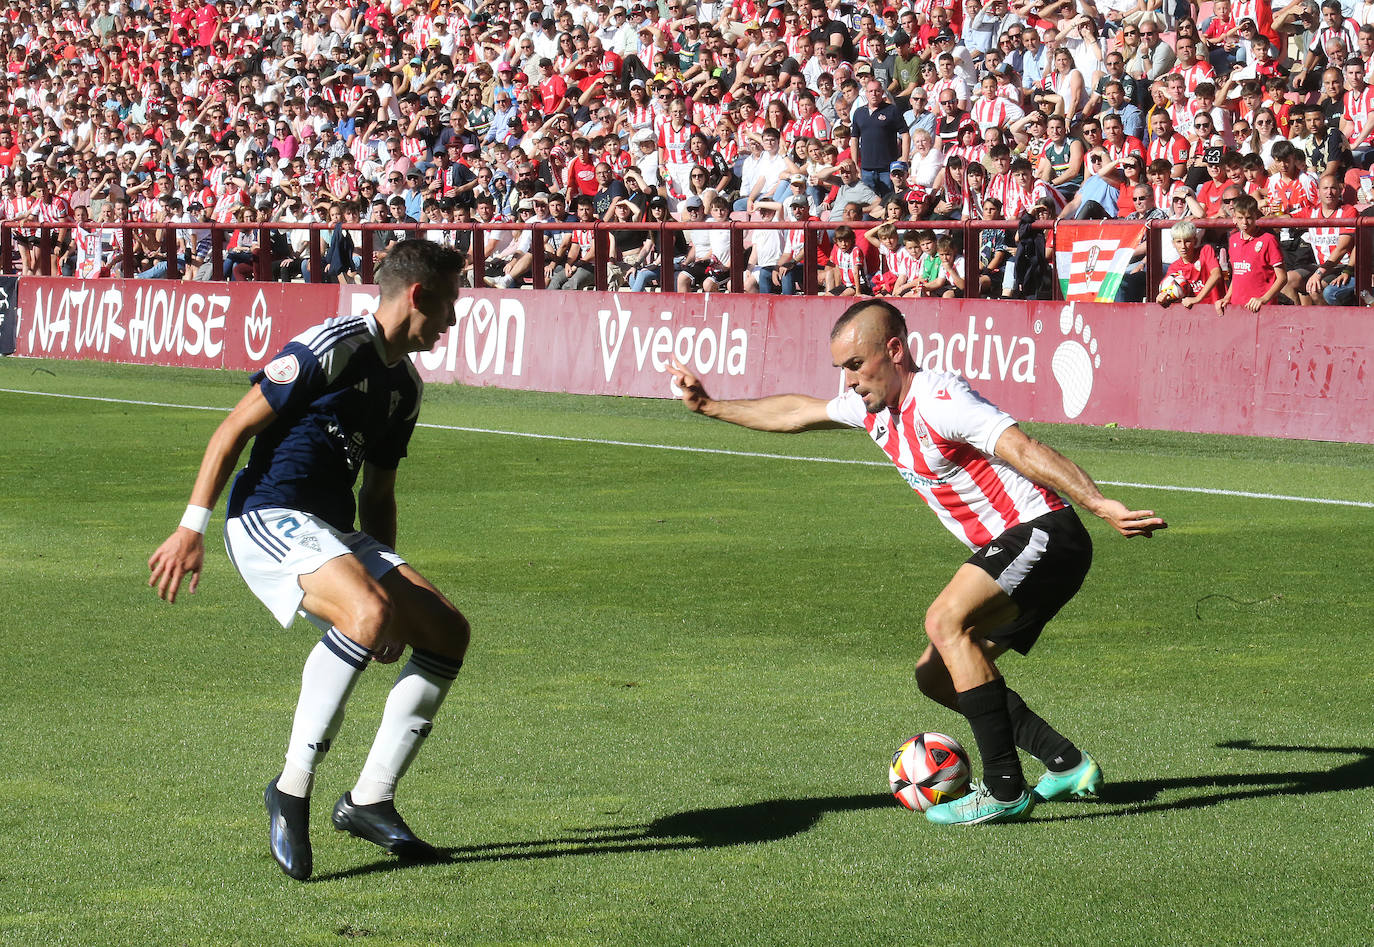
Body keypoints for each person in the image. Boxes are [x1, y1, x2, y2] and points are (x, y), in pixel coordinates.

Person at [668, 300, 1167, 826]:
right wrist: (709, 406)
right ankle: (1065, 763)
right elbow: (795, 412)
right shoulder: (868, 408)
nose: (849, 379)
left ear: (894, 350)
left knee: (945, 622)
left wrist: (1098, 503)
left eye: (855, 364)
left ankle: (1003, 789)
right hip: (1024, 546)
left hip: (1044, 531)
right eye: (840, 368)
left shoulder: (941, 399)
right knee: (935, 675)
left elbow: (1023, 448)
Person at [147, 240, 472, 880]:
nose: (452, 322)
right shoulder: (333, 346)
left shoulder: (404, 387)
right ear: (419, 295)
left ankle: (370, 800)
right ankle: (291, 788)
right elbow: (232, 429)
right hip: (266, 517)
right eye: (451, 305)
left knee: (445, 631)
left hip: (329, 530)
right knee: (370, 614)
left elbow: (378, 493)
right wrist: (192, 528)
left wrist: (386, 568)